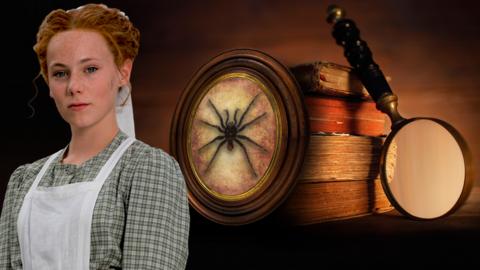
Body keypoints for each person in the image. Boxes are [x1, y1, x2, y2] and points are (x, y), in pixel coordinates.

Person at [0, 3, 190, 269]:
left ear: (123, 72)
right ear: (49, 85)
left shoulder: (148, 170)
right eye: (60, 73)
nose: (74, 87)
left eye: (90, 69)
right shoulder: (23, 181)